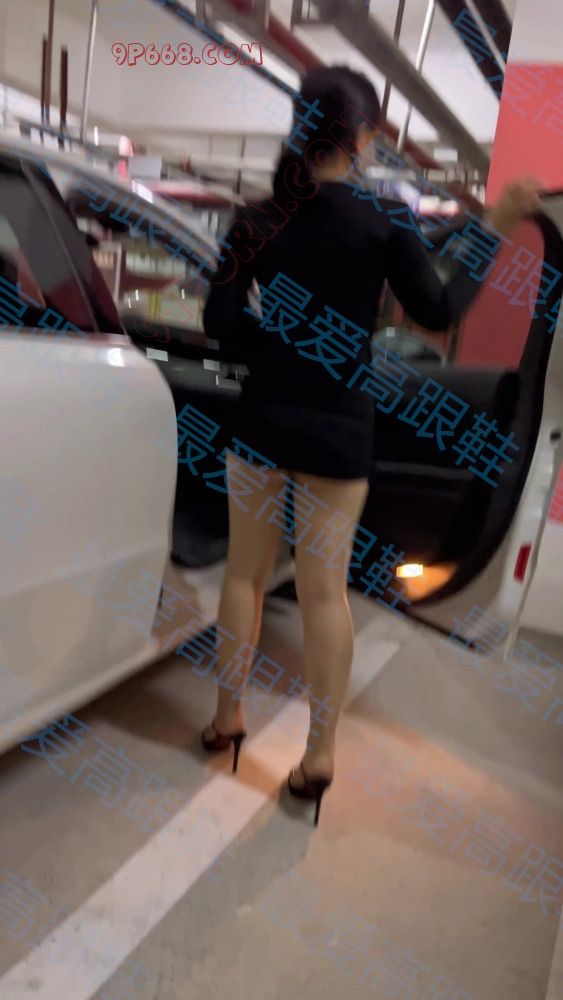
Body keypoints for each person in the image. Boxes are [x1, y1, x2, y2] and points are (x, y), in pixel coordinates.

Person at [201, 65, 541, 825]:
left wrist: (277, 343)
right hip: (339, 430)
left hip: (262, 422)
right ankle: (319, 757)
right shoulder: (384, 220)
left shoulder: (257, 218)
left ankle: (226, 720)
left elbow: (218, 323)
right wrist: (493, 225)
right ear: (362, 137)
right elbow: (438, 310)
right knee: (324, 593)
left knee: (243, 577)